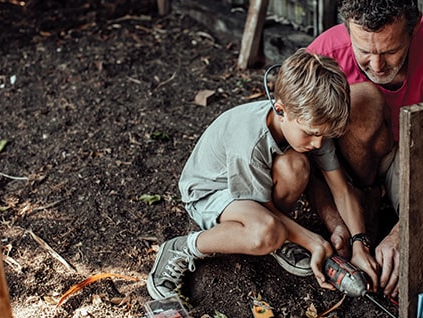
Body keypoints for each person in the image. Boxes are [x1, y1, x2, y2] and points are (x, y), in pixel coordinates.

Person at [147, 48, 380, 300]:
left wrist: (360, 243)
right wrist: (314, 241)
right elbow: (265, 210)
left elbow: (341, 189)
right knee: (266, 232)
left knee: (297, 166)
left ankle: (282, 237)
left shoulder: (311, 125)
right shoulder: (249, 142)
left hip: (254, 192)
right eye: (311, 133)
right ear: (281, 109)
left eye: (324, 135)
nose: (318, 143)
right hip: (211, 193)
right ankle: (182, 248)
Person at [306, 0, 423, 298]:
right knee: (362, 99)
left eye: (391, 51)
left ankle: (388, 231)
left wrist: (401, 234)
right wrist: (332, 218)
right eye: (365, 52)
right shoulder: (323, 55)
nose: (378, 65)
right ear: (348, 32)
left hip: (415, 155)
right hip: (348, 165)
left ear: (414, 29)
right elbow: (302, 157)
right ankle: (366, 202)